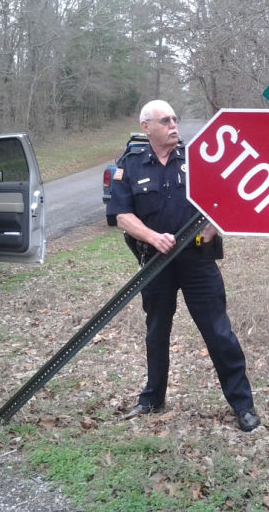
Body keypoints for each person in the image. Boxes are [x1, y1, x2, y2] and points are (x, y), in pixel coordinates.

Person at [107, 99, 260, 432]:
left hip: (198, 261)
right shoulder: (130, 164)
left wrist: (213, 224)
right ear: (146, 127)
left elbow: (227, 195)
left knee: (219, 333)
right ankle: (152, 399)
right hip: (155, 263)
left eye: (175, 119)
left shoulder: (196, 158)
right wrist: (151, 236)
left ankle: (242, 405)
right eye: (165, 120)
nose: (173, 125)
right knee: (156, 333)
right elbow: (121, 215)